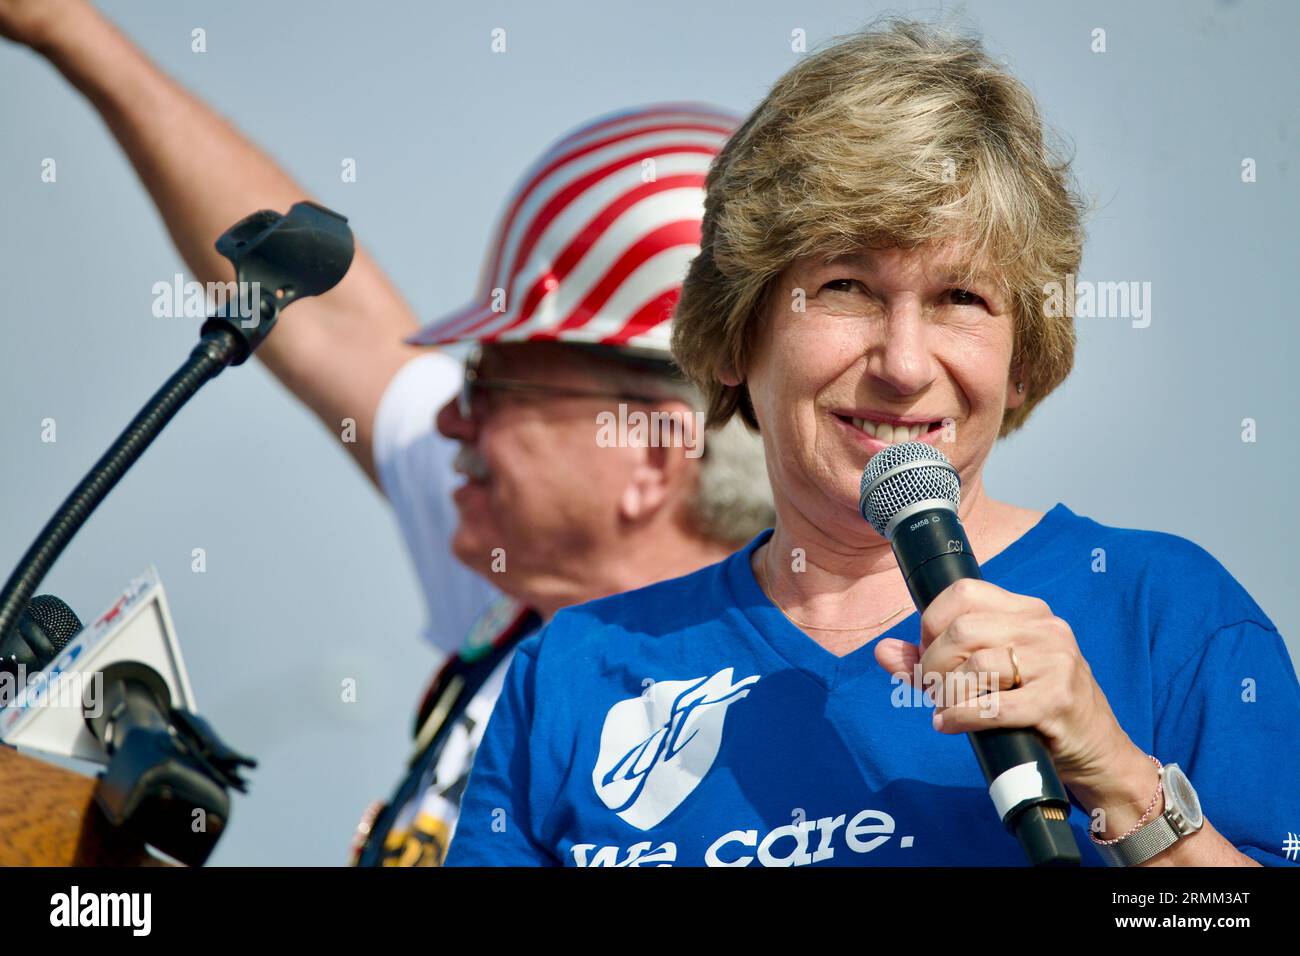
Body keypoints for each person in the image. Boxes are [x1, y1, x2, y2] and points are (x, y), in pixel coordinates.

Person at [445, 18, 1300, 867]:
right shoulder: (570, 674)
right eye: (847, 286)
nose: (902, 364)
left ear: (1023, 364)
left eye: (962, 297)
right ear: (738, 338)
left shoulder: (1169, 615)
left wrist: (1120, 782)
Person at [0, 1, 773, 865]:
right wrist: (63, 28)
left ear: (651, 453)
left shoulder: (774, 740)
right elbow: (324, 318)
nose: (449, 417)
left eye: (491, 386)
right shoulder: (529, 592)